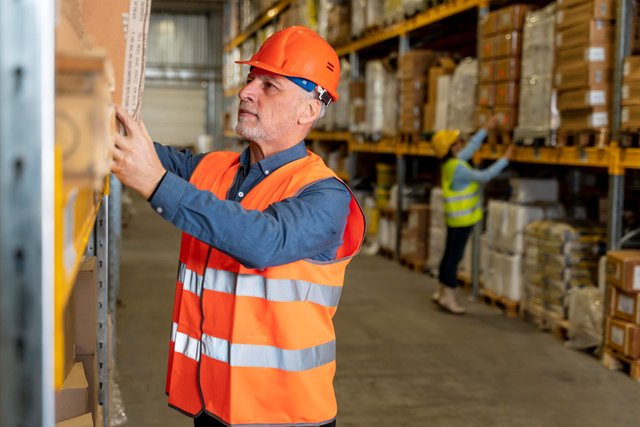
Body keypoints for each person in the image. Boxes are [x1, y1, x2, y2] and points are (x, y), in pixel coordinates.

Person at [111, 26, 365, 427]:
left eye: (269, 85)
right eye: (251, 80)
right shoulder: (214, 169)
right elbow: (133, 149)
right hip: (213, 405)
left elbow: (265, 240)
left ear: (308, 111)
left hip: (283, 415)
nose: (247, 92)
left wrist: (156, 185)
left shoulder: (325, 196)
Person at [431, 117, 514, 314]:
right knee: (454, 257)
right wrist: (505, 159)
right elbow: (484, 176)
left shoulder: (451, 163)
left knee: (448, 254)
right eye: (458, 142)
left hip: (455, 218)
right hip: (462, 219)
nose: (462, 144)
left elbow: (470, 149)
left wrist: (485, 129)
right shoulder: (458, 168)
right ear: (452, 148)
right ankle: (449, 297)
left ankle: (441, 292)